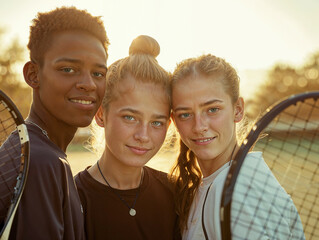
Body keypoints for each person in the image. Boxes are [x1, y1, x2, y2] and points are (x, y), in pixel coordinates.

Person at [0, 6, 109, 239]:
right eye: (68, 69)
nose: (88, 84)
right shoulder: (40, 162)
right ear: (33, 75)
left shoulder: (36, 150)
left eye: (98, 73)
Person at [169, 54, 305, 239]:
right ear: (174, 121)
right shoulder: (214, 183)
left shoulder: (242, 190)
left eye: (213, 109)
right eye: (185, 114)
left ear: (238, 110)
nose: (199, 126)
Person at [75, 35, 180, 240]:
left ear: (168, 125)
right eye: (130, 117)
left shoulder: (175, 193)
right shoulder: (73, 200)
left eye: (156, 122)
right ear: (101, 114)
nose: (143, 135)